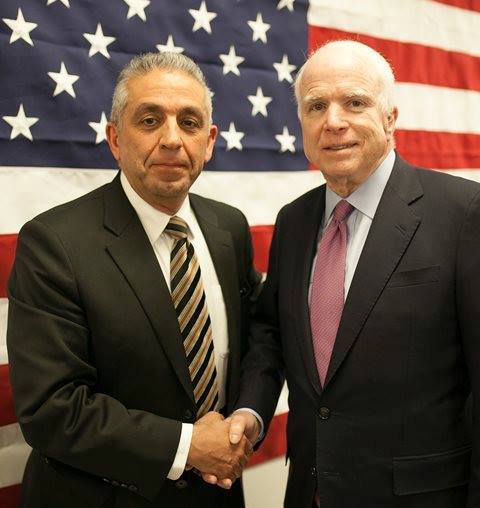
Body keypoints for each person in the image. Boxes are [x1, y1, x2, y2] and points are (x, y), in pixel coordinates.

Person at [227, 40, 480, 507]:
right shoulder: (293, 220)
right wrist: (251, 409)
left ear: (390, 118)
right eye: (316, 106)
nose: (334, 121)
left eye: (355, 102)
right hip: (310, 492)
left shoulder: (464, 213)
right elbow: (272, 333)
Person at [7, 52, 260, 508]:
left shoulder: (230, 229)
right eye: (149, 120)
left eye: (189, 122)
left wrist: (247, 417)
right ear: (115, 138)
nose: (171, 139)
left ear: (209, 140)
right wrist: (187, 447)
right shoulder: (54, 244)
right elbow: (51, 410)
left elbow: (258, 340)